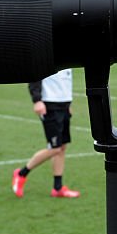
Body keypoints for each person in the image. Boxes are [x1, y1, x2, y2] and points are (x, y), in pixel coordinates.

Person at [11, 68, 80, 199]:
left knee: (62, 147)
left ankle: (58, 188)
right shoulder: (46, 53)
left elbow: (65, 79)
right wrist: (37, 100)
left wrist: (68, 102)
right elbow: (34, 75)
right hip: (49, 105)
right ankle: (21, 173)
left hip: (63, 105)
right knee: (55, 148)